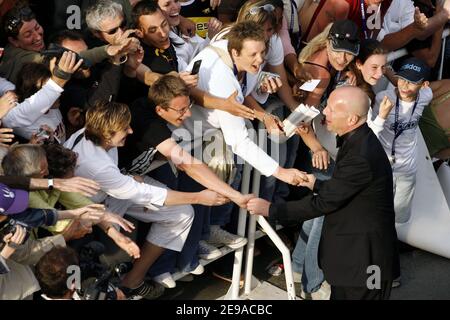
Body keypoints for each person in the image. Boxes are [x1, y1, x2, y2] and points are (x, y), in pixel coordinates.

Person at [247, 86, 400, 300]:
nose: (324, 112)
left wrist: (271, 209)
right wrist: (314, 183)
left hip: (366, 263)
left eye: (331, 109)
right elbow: (345, 189)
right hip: (353, 260)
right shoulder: (357, 140)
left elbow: (323, 204)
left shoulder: (360, 154)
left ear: (351, 119)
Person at [64, 100, 228, 299]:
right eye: (125, 128)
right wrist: (200, 197)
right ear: (107, 134)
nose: (131, 131)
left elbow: (120, 182)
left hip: (110, 194)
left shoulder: (93, 134)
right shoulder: (97, 164)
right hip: (85, 212)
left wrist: (125, 180)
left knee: (182, 213)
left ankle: (132, 280)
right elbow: (148, 194)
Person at [369, 57, 432, 225]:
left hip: (407, 168)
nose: (404, 85)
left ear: (424, 85)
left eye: (411, 82)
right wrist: (382, 115)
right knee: (376, 213)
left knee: (400, 216)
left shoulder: (426, 96)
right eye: (402, 79)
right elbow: (369, 134)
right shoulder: (383, 99)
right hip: (382, 166)